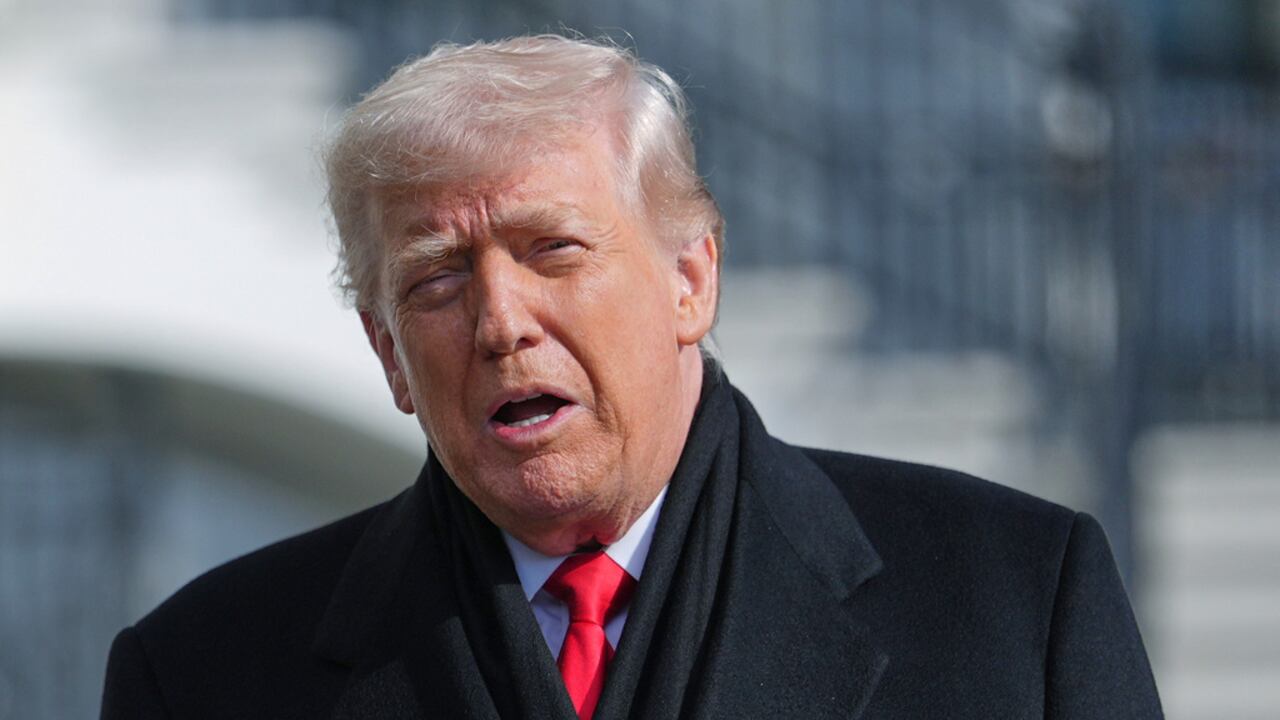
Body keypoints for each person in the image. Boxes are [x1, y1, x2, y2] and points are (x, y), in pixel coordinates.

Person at [101, 35, 1163, 719]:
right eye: (435, 282)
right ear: (388, 357)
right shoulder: (203, 674)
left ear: (690, 278)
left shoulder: (1013, 605)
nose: (501, 322)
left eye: (553, 251)